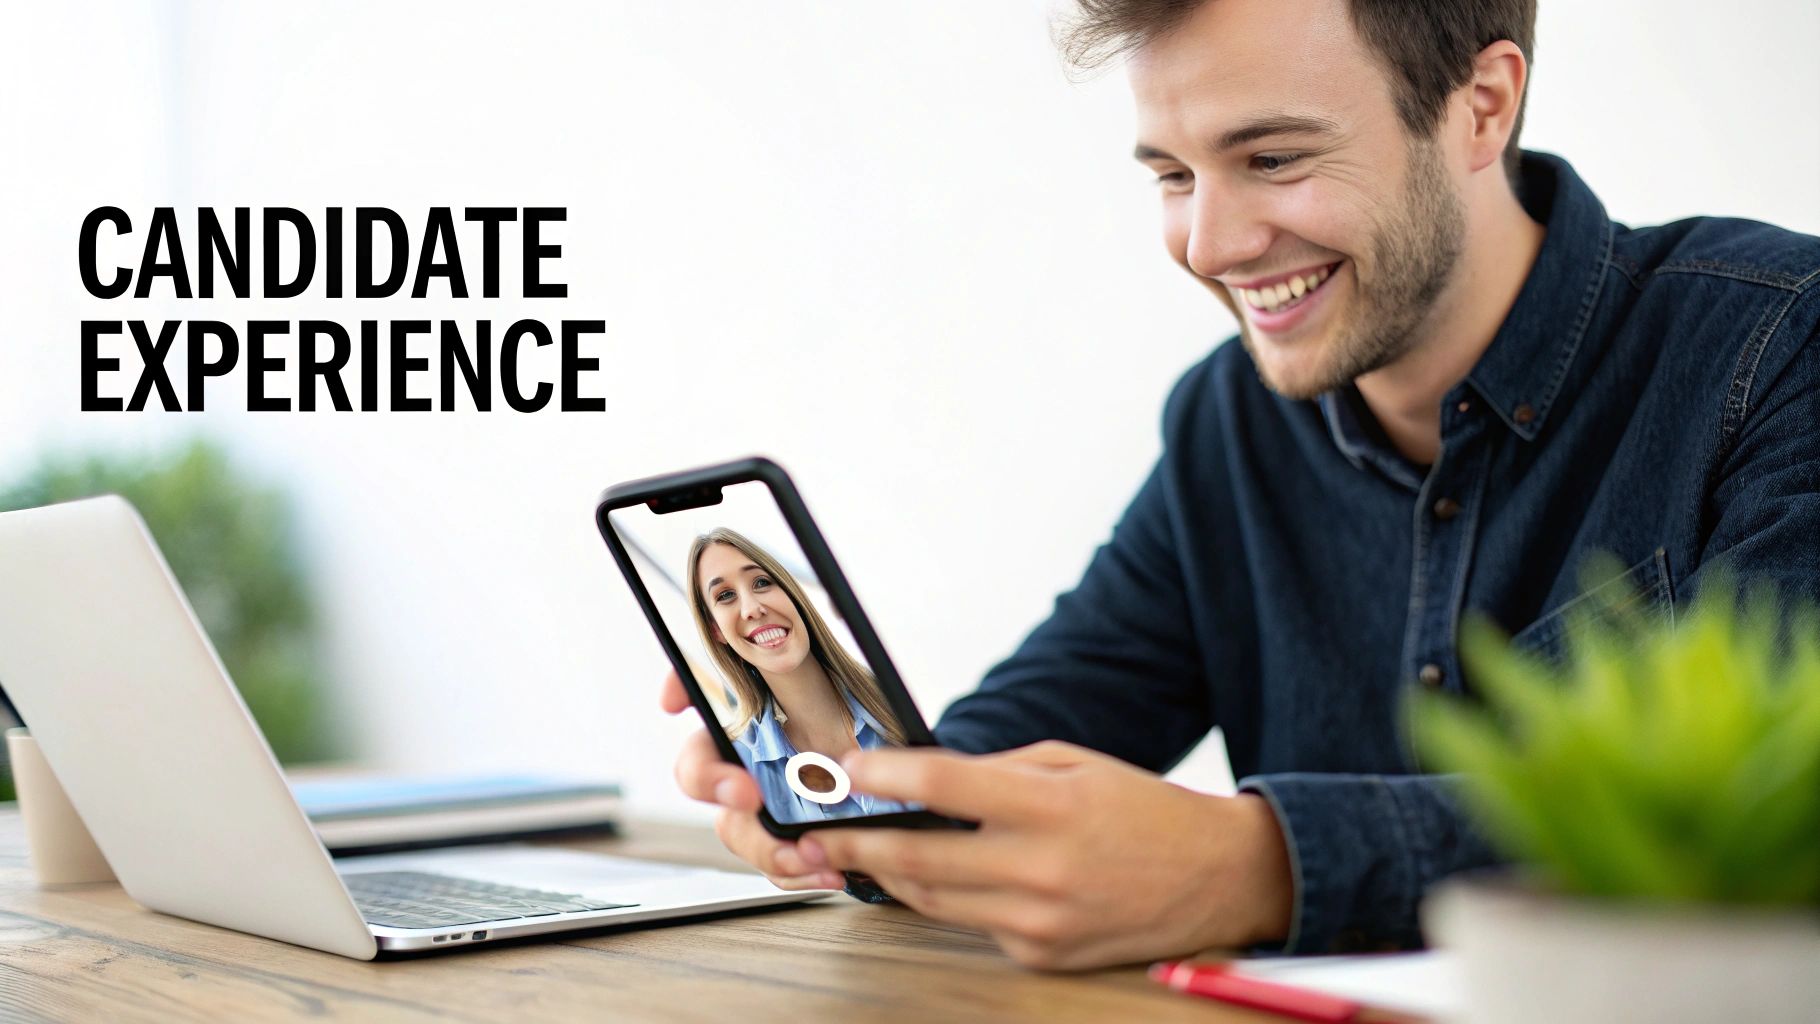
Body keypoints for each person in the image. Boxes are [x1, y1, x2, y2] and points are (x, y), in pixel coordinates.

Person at [664, 0, 1820, 970]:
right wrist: (836, 783)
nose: (1207, 244)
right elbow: (1023, 738)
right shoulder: (1226, 421)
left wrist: (1262, 866)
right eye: (1172, 173)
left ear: (1480, 104)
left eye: (1271, 158)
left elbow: (1783, 821)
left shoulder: (1774, 347)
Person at [687, 527, 914, 823]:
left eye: (762, 582)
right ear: (716, 630)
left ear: (793, 594)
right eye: (726, 595)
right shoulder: (740, 765)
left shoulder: (897, 704)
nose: (752, 609)